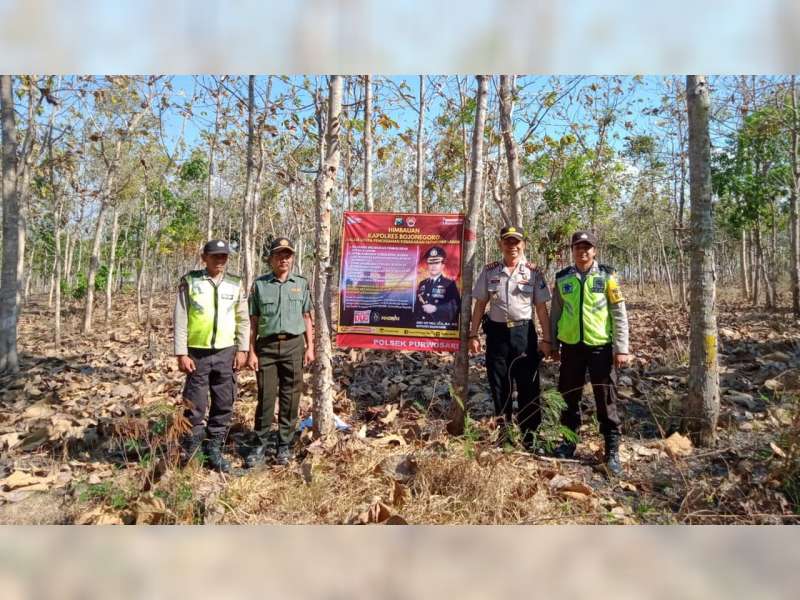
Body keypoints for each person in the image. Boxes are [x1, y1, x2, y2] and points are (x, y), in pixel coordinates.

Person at [549, 230, 631, 476]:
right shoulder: (563, 278)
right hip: (571, 347)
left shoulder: (608, 276)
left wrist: (622, 348)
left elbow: (619, 313)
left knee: (605, 399)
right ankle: (568, 442)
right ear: (572, 250)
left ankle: (612, 451)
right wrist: (553, 343)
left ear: (594, 250)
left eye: (587, 247)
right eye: (578, 247)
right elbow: (555, 312)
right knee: (568, 397)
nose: (583, 251)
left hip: (600, 347)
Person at [468, 226, 553, 449]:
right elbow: (480, 305)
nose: (512, 246)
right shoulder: (490, 271)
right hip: (497, 335)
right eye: (507, 242)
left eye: (516, 242)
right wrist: (473, 334)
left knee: (528, 386)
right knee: (499, 385)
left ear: (523, 245)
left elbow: (542, 309)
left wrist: (547, 339)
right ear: (500, 244)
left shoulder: (534, 272)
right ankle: (504, 434)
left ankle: (530, 436)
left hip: (523, 334)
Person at [174, 239, 250, 473]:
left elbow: (243, 319)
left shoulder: (235, 284)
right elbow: (181, 318)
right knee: (195, 404)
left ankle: (214, 449)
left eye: (223, 257)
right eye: (215, 256)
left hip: (226, 352)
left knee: (224, 402)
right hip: (197, 353)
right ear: (203, 258)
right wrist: (181, 353)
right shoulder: (191, 282)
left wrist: (243, 349)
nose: (220, 261)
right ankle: (192, 450)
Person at [245, 237, 315, 467]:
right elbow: (253, 321)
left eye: (287, 255)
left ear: (292, 258)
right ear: (271, 259)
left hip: (294, 346)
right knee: (266, 397)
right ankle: (260, 443)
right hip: (266, 347)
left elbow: (307, 317)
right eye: (279, 255)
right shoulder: (260, 285)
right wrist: (251, 352)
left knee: (290, 396)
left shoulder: (301, 284)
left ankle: (284, 444)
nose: (284, 259)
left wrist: (310, 347)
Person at [413, 245, 461, 327]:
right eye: (431, 263)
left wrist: (436, 309)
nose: (433, 266)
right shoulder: (422, 284)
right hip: (421, 328)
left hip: (439, 328)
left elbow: (455, 307)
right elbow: (417, 308)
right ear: (427, 265)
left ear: (443, 265)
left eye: (437, 262)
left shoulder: (449, 284)